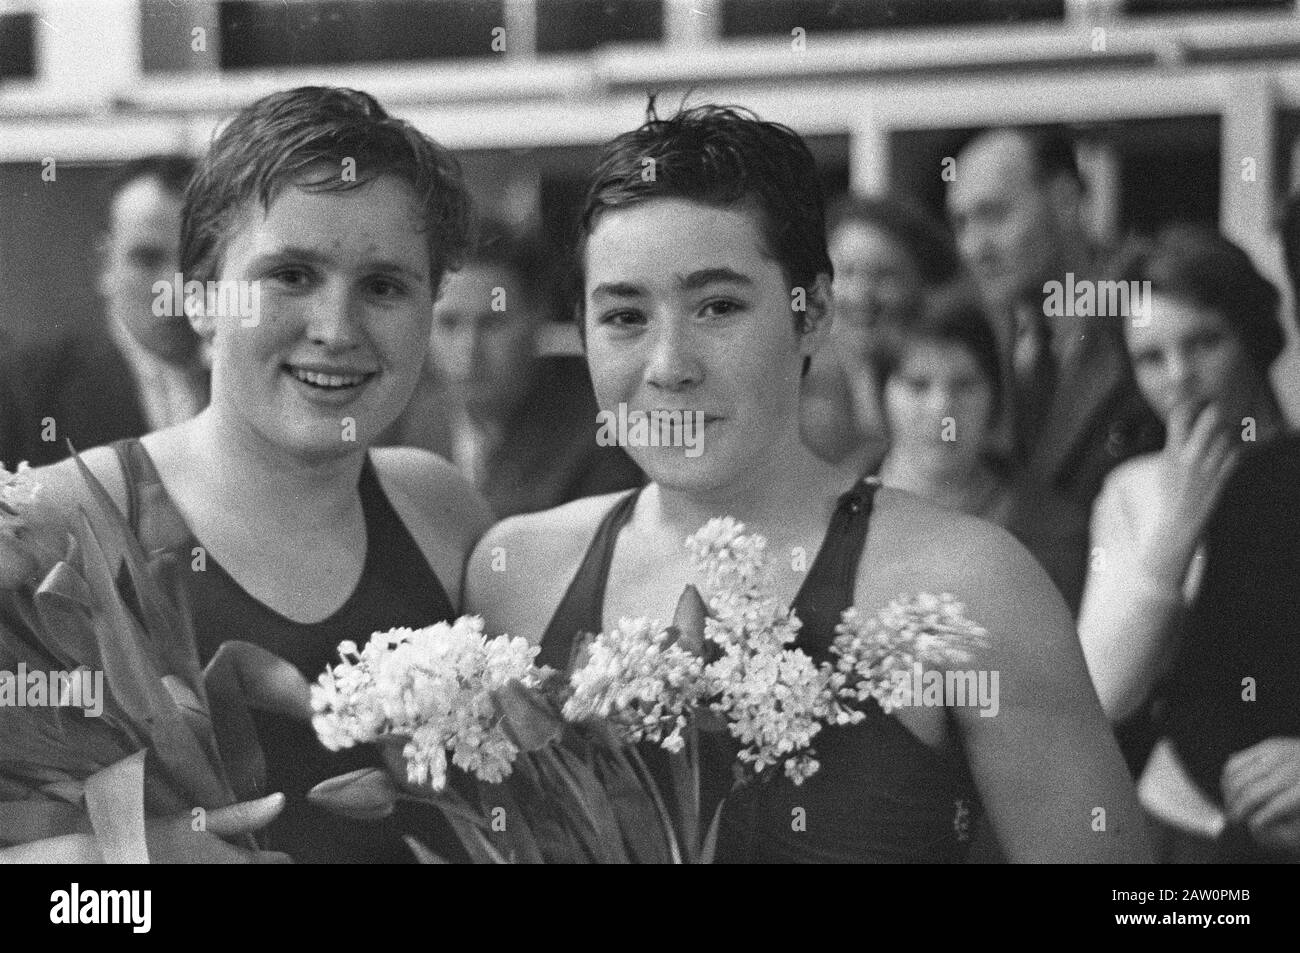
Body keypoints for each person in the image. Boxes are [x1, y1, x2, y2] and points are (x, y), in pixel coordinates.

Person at [466, 103, 1150, 863]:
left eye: (718, 306)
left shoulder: (968, 583)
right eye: (625, 316)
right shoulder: (516, 575)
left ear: (814, 311)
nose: (669, 365)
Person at [2, 86, 492, 863]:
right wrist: (118, 864)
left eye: (385, 285)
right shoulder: (56, 522)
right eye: (291, 275)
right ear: (200, 297)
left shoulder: (440, 507)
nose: (335, 329)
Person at [1076, 225, 1290, 856]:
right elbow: (1106, 694)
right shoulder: (1131, 489)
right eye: (1150, 357)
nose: (1180, 377)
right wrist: (1173, 533)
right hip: (1179, 819)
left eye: (1204, 343)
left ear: (1251, 336)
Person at [946, 126, 1161, 507]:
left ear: (1064, 198)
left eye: (993, 215)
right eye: (961, 224)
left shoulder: (1154, 313)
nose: (974, 247)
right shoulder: (976, 339)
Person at [382, 223, 642, 516]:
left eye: (491, 324)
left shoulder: (598, 442)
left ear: (537, 319)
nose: (469, 351)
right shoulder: (404, 423)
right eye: (449, 323)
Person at [868, 287, 1090, 611]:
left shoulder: (1053, 535)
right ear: (881, 394)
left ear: (996, 396)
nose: (942, 409)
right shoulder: (826, 510)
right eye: (917, 385)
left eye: (965, 385)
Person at [19, 156, 210, 466]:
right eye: (147, 259)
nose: (175, 290)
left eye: (196, 260)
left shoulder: (256, 382)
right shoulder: (27, 389)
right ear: (105, 265)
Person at [801, 196, 961, 476]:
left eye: (884, 276)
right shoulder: (793, 382)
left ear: (920, 284)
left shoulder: (950, 379)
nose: (863, 295)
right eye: (847, 273)